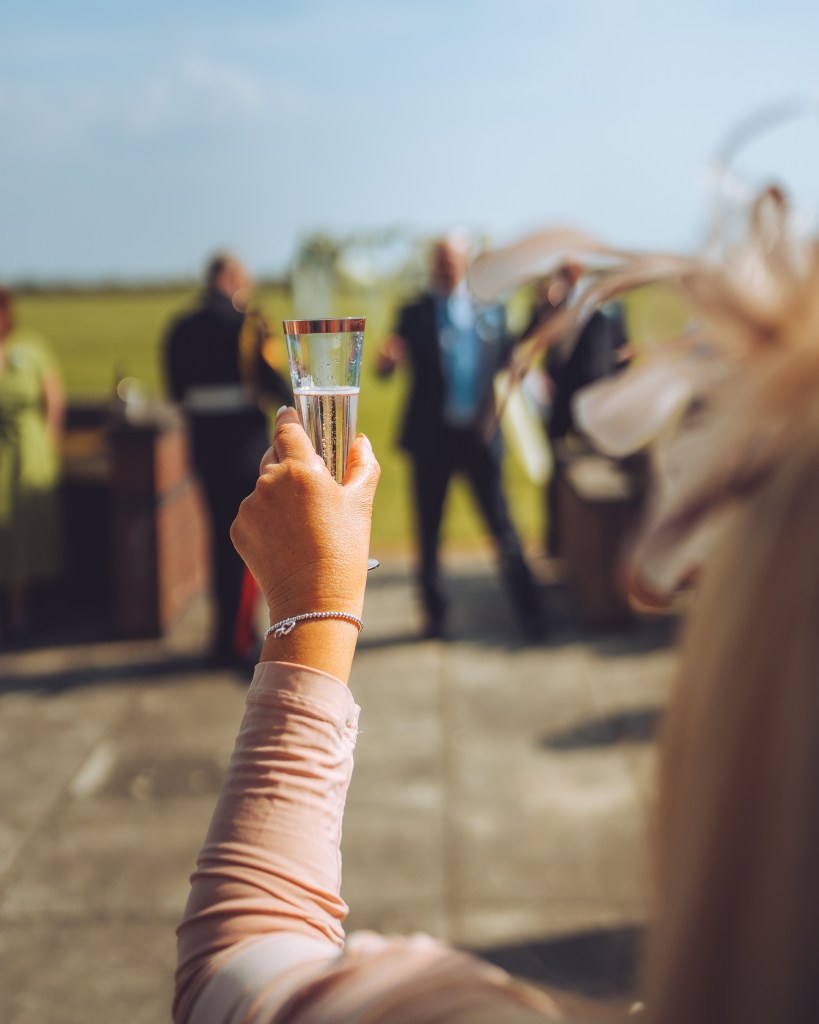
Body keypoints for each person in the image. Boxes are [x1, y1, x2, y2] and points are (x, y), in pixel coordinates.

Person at [375, 234, 545, 641]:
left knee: (503, 527)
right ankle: (435, 616)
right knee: (429, 532)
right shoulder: (413, 312)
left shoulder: (488, 310)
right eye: (439, 261)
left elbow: (512, 354)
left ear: (464, 263)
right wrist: (386, 361)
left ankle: (532, 613)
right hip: (432, 438)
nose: (445, 268)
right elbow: (386, 367)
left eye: (452, 261)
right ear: (433, 265)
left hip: (479, 438)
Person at [164, 253, 291, 667]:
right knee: (248, 544)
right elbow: (274, 382)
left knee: (218, 542)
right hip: (243, 448)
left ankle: (221, 637)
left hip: (203, 447)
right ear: (233, 278)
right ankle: (239, 639)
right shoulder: (250, 324)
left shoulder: (180, 328)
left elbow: (176, 389)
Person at [521, 265, 632, 557]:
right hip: (561, 399)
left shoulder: (607, 303)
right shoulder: (554, 305)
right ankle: (557, 540)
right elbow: (526, 339)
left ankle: (604, 543)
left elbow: (623, 348)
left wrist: (618, 390)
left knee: (602, 467)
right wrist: (543, 306)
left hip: (598, 399)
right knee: (557, 470)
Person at [0, 287, 65, 644]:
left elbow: (53, 400)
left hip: (27, 450)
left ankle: (20, 614)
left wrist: (50, 444)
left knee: (24, 528)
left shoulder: (31, 348)